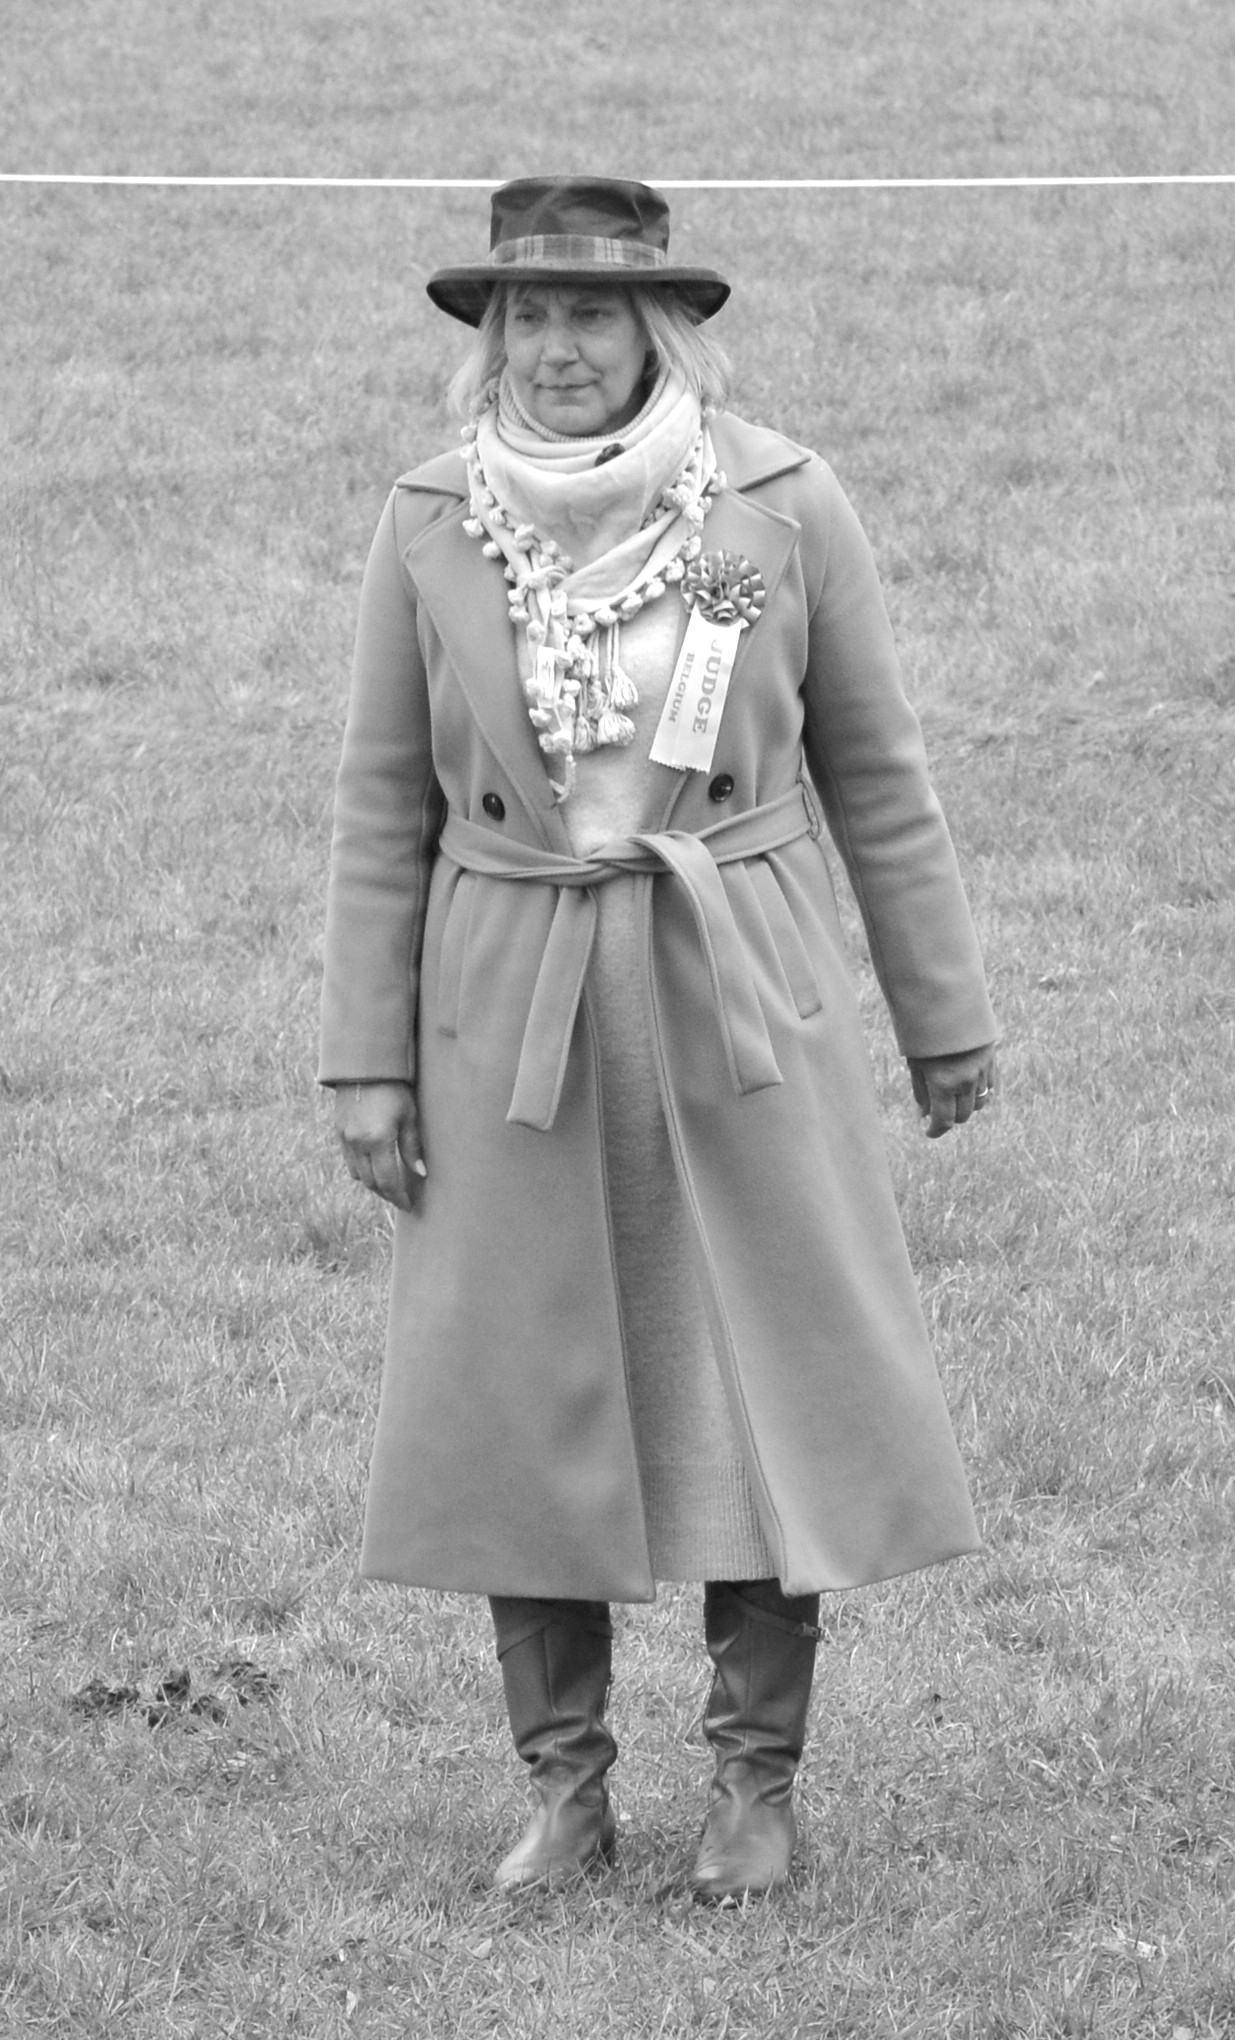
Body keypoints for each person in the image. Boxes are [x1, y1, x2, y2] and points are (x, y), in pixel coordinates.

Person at [319, 176, 998, 1900]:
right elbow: (382, 807)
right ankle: (566, 1791)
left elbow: (880, 776)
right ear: (492, 338)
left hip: (737, 985)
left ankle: (755, 1788)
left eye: (592, 315)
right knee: (522, 1397)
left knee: (763, 1389)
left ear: (658, 334)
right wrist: (368, 1059)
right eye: (527, 316)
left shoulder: (780, 501)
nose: (557, 347)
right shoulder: (430, 516)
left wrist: (944, 1017)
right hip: (511, 1009)